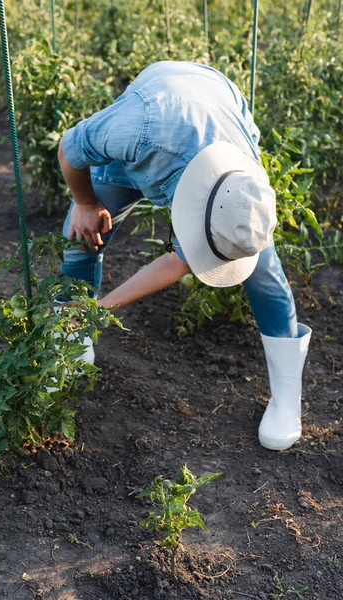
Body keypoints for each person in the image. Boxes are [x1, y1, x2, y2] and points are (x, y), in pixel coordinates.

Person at [57, 61, 312, 452]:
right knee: (80, 235)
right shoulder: (136, 131)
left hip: (220, 103)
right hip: (158, 124)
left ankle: (287, 397)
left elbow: (180, 261)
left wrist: (103, 307)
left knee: (264, 269)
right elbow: (70, 147)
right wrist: (85, 202)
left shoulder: (243, 181)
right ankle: (69, 335)